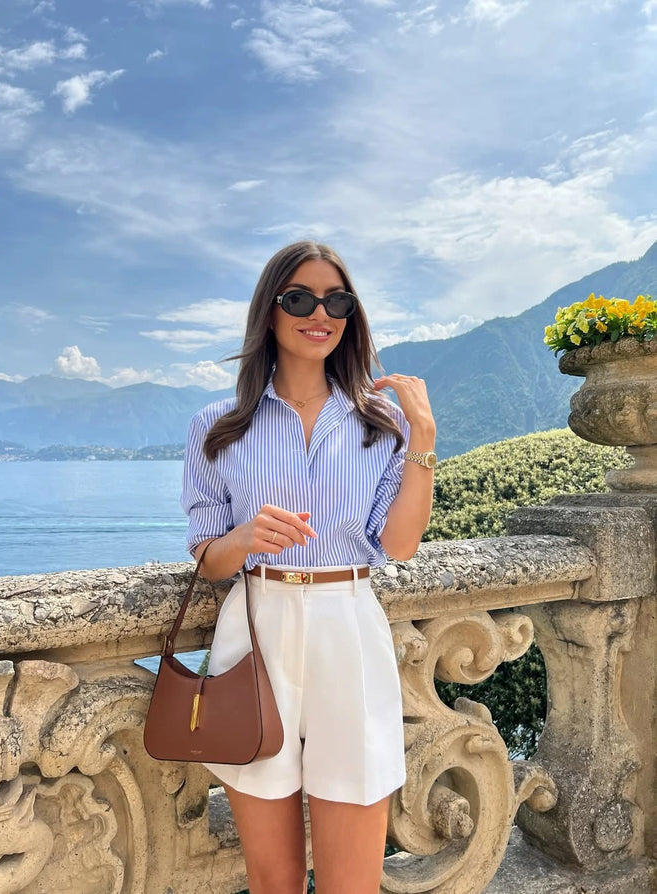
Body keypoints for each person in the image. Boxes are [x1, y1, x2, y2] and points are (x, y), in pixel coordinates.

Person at [181, 240, 436, 894]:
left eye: (336, 300)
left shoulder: (381, 424)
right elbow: (210, 559)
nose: (318, 312)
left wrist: (424, 442)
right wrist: (244, 537)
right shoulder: (217, 426)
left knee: (351, 878)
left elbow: (399, 544)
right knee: (272, 879)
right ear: (270, 311)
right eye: (299, 298)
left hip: (346, 625)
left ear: (350, 316)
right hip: (254, 627)